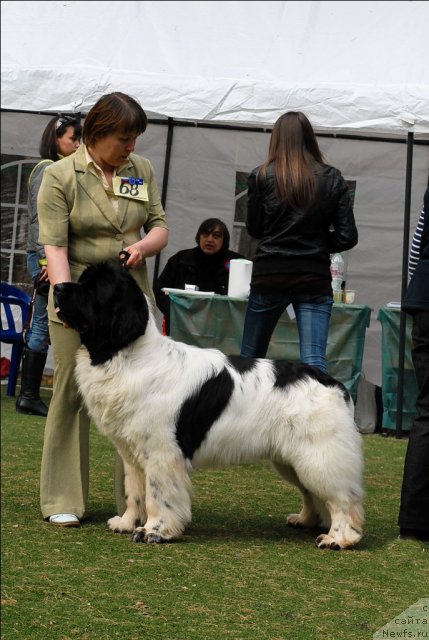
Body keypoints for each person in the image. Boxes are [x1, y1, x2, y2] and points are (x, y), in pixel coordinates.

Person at [37, 92, 169, 527]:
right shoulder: (61, 176)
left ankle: (134, 503)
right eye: (123, 138)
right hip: (81, 293)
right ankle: (62, 497)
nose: (131, 147)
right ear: (96, 133)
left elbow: (159, 226)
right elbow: (54, 244)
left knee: (137, 396)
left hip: (129, 300)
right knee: (71, 393)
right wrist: (65, 299)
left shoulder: (141, 170)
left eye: (135, 139)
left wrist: (142, 246)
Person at [239, 111, 358, 372]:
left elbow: (255, 229)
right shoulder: (332, 177)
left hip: (270, 274)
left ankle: (247, 412)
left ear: (277, 139)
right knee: (314, 362)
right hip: (313, 276)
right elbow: (348, 236)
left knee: (250, 359)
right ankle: (317, 413)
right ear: (310, 139)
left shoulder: (261, 176)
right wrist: (317, 244)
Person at [16, 114, 81, 416]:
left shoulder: (57, 168)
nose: (78, 144)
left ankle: (29, 395)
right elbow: (41, 221)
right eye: (73, 139)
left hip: (48, 255)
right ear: (56, 139)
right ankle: (28, 394)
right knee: (43, 320)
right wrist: (45, 261)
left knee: (45, 318)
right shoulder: (48, 169)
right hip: (44, 256)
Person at [398, 186, 429, 542]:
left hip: (427, 296)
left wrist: (416, 288)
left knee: (427, 411)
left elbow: (417, 248)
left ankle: (414, 520)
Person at [154, 218, 245, 334]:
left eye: (216, 236)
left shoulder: (237, 263)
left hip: (221, 329)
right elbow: (159, 291)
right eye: (205, 234)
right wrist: (177, 313)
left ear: (224, 240)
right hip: (182, 326)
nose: (209, 240)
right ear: (199, 237)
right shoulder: (180, 259)